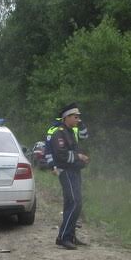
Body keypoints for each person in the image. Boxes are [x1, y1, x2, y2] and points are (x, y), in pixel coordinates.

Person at [52, 103, 90, 249]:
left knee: (71, 204)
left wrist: (81, 124)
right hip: (66, 171)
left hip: (74, 171)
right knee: (75, 202)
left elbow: (85, 137)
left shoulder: (71, 131)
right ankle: (63, 237)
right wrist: (78, 156)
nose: (78, 119)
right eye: (75, 117)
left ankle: (71, 236)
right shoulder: (59, 133)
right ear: (66, 117)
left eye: (79, 117)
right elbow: (61, 155)